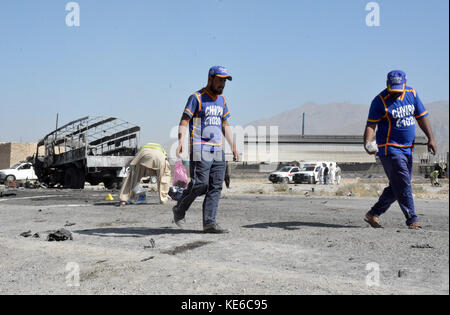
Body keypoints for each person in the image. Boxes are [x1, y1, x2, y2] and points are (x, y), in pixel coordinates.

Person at [364, 70, 437, 230]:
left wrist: (430, 138)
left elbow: (421, 117)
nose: (396, 93)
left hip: (407, 149)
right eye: (393, 89)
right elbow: (371, 124)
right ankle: (412, 219)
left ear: (405, 84)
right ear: (387, 85)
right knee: (403, 183)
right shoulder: (379, 101)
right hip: (389, 149)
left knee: (398, 184)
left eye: (399, 89)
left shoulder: (412, 93)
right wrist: (368, 142)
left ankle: (373, 213)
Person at [173, 66, 239, 234]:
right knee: (200, 184)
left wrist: (234, 147)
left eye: (225, 81)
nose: (222, 84)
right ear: (210, 79)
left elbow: (225, 124)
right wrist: (180, 141)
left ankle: (209, 223)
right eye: (220, 80)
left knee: (216, 186)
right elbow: (184, 121)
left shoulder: (222, 100)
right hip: (200, 147)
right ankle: (180, 207)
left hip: (218, 150)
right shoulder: (196, 98)